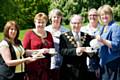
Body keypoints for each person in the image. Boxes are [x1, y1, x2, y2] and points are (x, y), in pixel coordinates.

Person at [59, 14, 94, 80]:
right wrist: (75, 51)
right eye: (74, 23)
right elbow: (62, 51)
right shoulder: (63, 36)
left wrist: (91, 52)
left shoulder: (87, 36)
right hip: (69, 71)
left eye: (79, 23)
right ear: (70, 24)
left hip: (83, 71)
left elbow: (90, 53)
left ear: (82, 24)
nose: (76, 25)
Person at [23, 12, 54, 80]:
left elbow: (52, 49)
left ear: (46, 23)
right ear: (35, 22)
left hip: (46, 69)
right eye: (39, 22)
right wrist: (39, 51)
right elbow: (24, 51)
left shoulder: (49, 34)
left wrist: (50, 51)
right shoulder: (29, 33)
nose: (41, 24)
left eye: (43, 22)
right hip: (32, 68)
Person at [96, 4, 120, 80]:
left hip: (113, 63)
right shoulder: (103, 27)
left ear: (111, 15)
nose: (104, 16)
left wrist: (102, 40)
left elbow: (116, 46)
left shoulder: (115, 26)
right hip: (104, 63)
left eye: (106, 14)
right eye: (102, 15)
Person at [45, 8, 69, 80]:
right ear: (50, 18)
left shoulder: (66, 31)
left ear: (61, 18)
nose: (56, 19)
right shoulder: (46, 30)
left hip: (63, 60)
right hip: (49, 60)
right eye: (54, 17)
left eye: (58, 17)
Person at [81, 8, 101, 80]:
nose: (92, 17)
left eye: (94, 15)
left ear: (98, 16)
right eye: (90, 15)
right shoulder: (82, 29)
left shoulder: (103, 29)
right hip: (85, 63)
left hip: (100, 63)